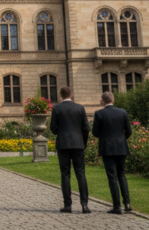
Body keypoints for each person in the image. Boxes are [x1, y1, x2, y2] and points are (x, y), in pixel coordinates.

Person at [50, 86, 91, 214]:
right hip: (78, 144)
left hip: (63, 144)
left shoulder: (56, 108)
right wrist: (83, 142)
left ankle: (68, 205)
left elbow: (53, 128)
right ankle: (84, 205)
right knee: (81, 174)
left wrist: (61, 132)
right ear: (71, 94)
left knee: (65, 174)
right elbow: (86, 128)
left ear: (60, 95)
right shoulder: (80, 108)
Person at [92, 91, 132, 214]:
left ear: (102, 101)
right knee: (122, 175)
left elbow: (95, 133)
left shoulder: (99, 113)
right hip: (121, 147)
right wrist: (121, 139)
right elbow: (129, 131)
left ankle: (117, 206)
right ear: (113, 100)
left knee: (112, 177)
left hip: (107, 148)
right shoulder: (122, 112)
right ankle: (127, 204)